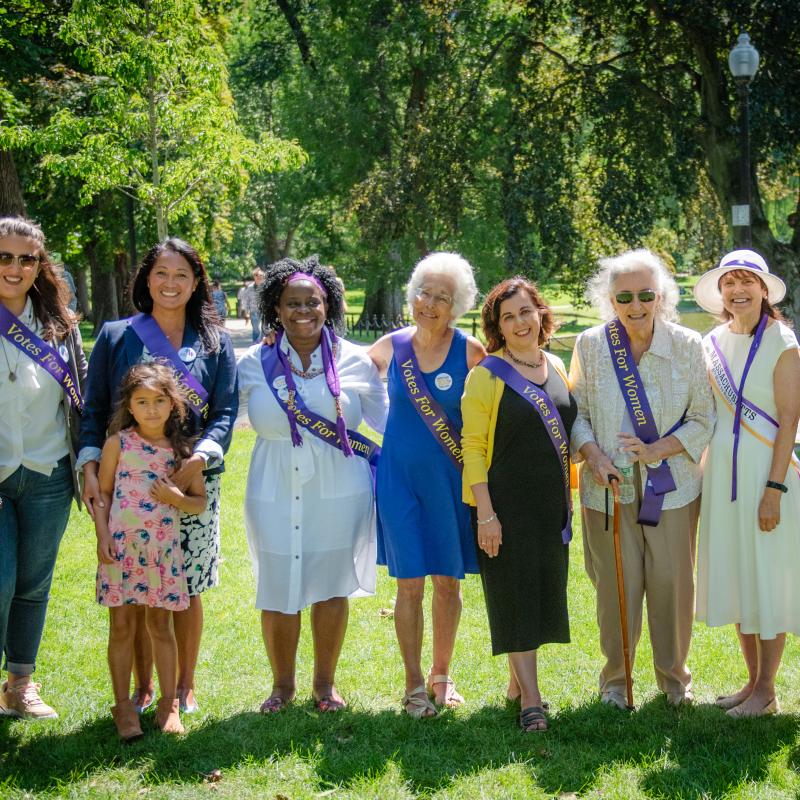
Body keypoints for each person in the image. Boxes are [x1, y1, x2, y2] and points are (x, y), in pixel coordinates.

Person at [79, 238, 238, 716]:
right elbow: (94, 409)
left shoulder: (214, 339)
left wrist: (199, 459)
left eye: (182, 275)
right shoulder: (115, 335)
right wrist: (90, 464)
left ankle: (182, 688)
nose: (171, 284)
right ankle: (142, 688)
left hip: (191, 481)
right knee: (136, 586)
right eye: (161, 274)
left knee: (183, 585)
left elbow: (227, 412)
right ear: (147, 279)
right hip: (130, 487)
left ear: (196, 283)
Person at [237, 256, 387, 713]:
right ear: (276, 309)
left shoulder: (356, 360)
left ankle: (325, 684)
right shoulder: (251, 363)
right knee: (278, 584)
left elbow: (391, 423)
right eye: (292, 303)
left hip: (340, 487)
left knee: (330, 583)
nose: (304, 310)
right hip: (274, 486)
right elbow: (217, 419)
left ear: (329, 305)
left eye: (313, 302)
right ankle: (281, 687)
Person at [569, 249, 714, 708]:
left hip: (671, 489)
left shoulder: (689, 346)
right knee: (615, 587)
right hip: (607, 489)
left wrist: (656, 450)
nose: (636, 305)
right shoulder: (590, 346)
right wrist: (592, 455)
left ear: (662, 296)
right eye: (624, 296)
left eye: (646, 295)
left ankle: (674, 683)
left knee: (672, 584)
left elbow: (703, 418)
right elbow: (579, 416)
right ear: (610, 300)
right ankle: (617, 683)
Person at [369, 252, 485, 717]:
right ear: (411, 296)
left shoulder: (471, 352)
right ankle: (413, 684)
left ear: (457, 306)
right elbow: (345, 384)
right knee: (409, 583)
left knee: (447, 583)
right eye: (425, 293)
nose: (431, 303)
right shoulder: (388, 347)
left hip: (449, 484)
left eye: (443, 297)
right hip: (399, 483)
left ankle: (442, 676)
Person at [461, 278, 575, 732]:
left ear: (541, 314)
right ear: (498, 327)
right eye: (508, 317)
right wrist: (486, 514)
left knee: (540, 595)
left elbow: (571, 427)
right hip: (504, 507)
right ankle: (531, 698)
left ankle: (516, 682)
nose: (519, 322)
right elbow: (472, 446)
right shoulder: (486, 374)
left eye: (526, 311)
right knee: (516, 598)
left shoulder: (558, 365)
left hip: (549, 506)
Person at [694, 249, 800, 717]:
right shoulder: (712, 341)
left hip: (765, 474)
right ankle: (752, 683)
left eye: (747, 281)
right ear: (721, 292)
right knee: (739, 576)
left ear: (763, 289)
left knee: (765, 578)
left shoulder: (782, 340)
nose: (738, 290)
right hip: (722, 475)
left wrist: (773, 490)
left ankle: (767, 690)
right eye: (729, 282)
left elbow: (790, 417)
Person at [0, 216, 87, 719]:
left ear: (40, 265)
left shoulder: (60, 326)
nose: (15, 267)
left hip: (48, 471)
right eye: (5, 257)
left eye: (26, 258)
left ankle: (19, 685)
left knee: (33, 583)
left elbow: (77, 401)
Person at [95, 363, 207, 739]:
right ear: (129, 405)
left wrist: (176, 496)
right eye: (142, 402)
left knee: (160, 626)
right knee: (122, 626)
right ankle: (124, 707)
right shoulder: (118, 444)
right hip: (121, 550)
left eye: (160, 401)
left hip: (162, 553)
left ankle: (168, 706)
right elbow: (104, 493)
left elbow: (198, 503)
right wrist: (101, 537)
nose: (152, 410)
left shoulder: (182, 451)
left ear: (173, 404)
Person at [243, 268, 265, 342]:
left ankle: (263, 343)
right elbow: (246, 300)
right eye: (256, 275)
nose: (259, 277)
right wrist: (246, 312)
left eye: (260, 275)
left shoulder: (266, 286)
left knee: (265, 328)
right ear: (254, 277)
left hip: (264, 310)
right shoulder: (250, 287)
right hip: (254, 310)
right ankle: (255, 343)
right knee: (256, 329)